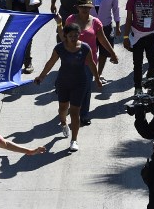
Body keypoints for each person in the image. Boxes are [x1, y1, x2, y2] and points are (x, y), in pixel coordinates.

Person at [35, 22, 103, 152]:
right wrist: (41, 76)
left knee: (75, 112)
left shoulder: (85, 48)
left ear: (79, 35)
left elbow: (92, 63)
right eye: (70, 36)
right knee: (63, 109)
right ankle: (64, 123)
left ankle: (74, 140)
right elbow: (50, 62)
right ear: (65, 36)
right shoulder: (59, 48)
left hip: (80, 83)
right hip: (63, 83)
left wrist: (97, 79)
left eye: (76, 35)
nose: (73, 38)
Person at [65, 0, 118, 126]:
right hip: (72, 61)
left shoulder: (95, 22)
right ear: (77, 7)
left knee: (86, 89)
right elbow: (64, 38)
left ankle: (83, 115)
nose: (85, 9)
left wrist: (112, 53)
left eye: (88, 7)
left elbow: (102, 39)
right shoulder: (70, 20)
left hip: (89, 62)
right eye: (82, 7)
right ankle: (74, 111)